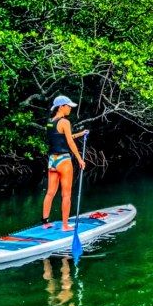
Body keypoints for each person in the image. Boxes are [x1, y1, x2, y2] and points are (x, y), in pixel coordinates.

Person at [42, 95, 87, 231]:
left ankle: (45, 222)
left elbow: (60, 137)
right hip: (64, 161)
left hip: (52, 161)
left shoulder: (50, 122)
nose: (70, 109)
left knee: (50, 193)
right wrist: (80, 159)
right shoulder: (65, 122)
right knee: (66, 195)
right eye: (68, 106)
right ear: (61, 107)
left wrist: (80, 134)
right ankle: (65, 226)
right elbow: (69, 142)